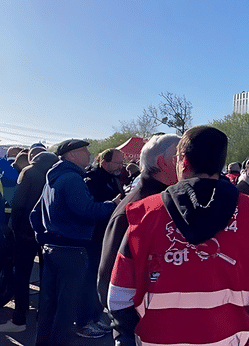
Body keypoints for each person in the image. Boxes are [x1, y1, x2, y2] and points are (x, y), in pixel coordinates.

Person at [108, 126, 249, 346]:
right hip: (229, 339)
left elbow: (118, 296)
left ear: (183, 161)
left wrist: (134, 332)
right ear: (221, 163)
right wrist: (248, 327)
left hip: (157, 339)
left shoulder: (145, 211)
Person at [30, 139, 119, 345]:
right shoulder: (72, 179)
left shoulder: (54, 178)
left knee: (49, 305)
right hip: (72, 249)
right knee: (66, 307)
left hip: (53, 248)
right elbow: (87, 211)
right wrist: (112, 204)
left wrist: (44, 238)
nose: (89, 154)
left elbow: (35, 215)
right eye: (84, 150)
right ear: (71, 155)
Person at [98, 134, 180, 343]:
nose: (187, 162)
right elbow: (108, 278)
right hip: (140, 329)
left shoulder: (167, 201)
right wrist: (127, 328)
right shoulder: (136, 208)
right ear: (163, 162)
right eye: (181, 156)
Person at [0, 151, 58, 333]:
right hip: (49, 230)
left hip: (25, 230)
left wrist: (13, 226)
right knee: (46, 275)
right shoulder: (57, 173)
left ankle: (19, 318)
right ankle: (44, 314)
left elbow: (17, 201)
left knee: (22, 274)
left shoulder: (29, 172)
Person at [77, 148, 126, 337]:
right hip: (94, 238)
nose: (121, 167)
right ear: (104, 162)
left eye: (122, 163)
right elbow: (90, 209)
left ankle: (95, 316)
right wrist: (112, 205)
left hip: (107, 236)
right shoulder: (92, 180)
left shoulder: (113, 178)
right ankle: (83, 321)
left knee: (100, 280)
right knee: (89, 281)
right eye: (117, 163)